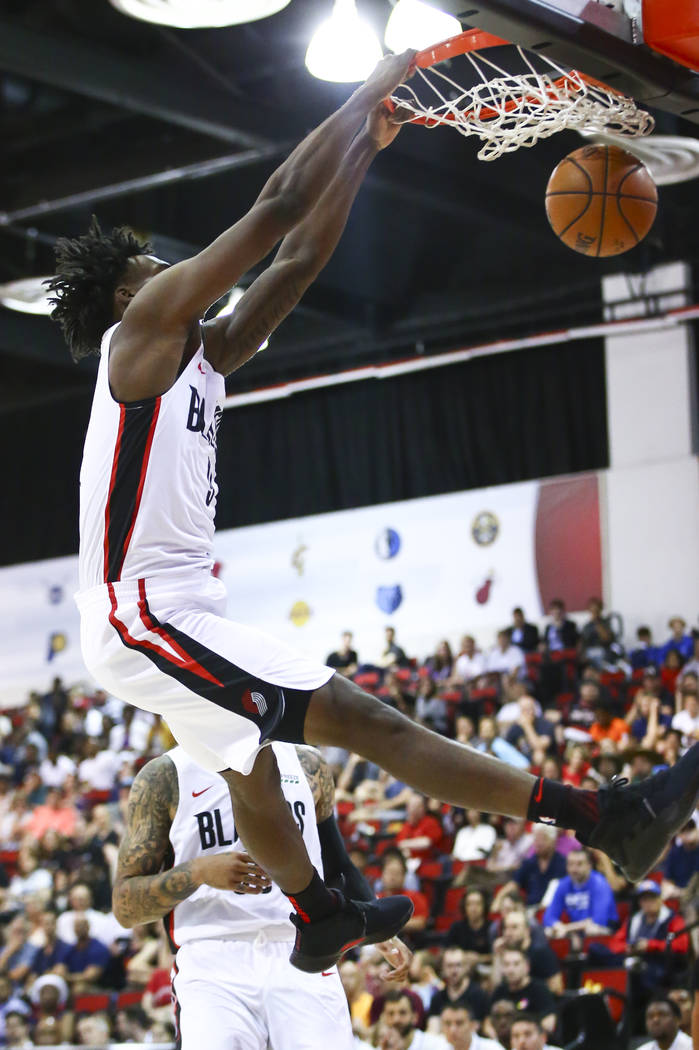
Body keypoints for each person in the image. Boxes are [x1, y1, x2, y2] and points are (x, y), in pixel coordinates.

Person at [47, 47, 699, 975]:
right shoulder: (142, 329)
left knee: (251, 775)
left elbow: (302, 255)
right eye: (153, 265)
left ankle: (319, 915)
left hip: (164, 614)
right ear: (129, 291)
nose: (171, 268)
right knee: (370, 724)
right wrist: (371, 86)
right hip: (143, 615)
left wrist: (369, 147)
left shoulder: (204, 352)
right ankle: (603, 818)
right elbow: (275, 208)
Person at [113, 740, 411, 1050]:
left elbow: (337, 866)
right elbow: (125, 905)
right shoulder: (166, 775)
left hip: (304, 948)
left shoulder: (308, 764)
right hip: (212, 959)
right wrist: (198, 872)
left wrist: (375, 927)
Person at [542, 848, 617, 938]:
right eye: (570, 864)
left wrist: (566, 928)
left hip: (604, 929)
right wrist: (557, 926)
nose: (574, 869)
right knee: (548, 931)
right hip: (576, 930)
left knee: (592, 930)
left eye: (579, 864)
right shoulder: (563, 884)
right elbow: (548, 917)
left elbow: (598, 920)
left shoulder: (600, 883)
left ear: (589, 865)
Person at [489, 949, 557, 1034]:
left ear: (527, 967)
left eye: (516, 964)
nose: (510, 970)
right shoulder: (499, 991)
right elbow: (488, 1021)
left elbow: (549, 1023)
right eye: (506, 964)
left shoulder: (540, 989)